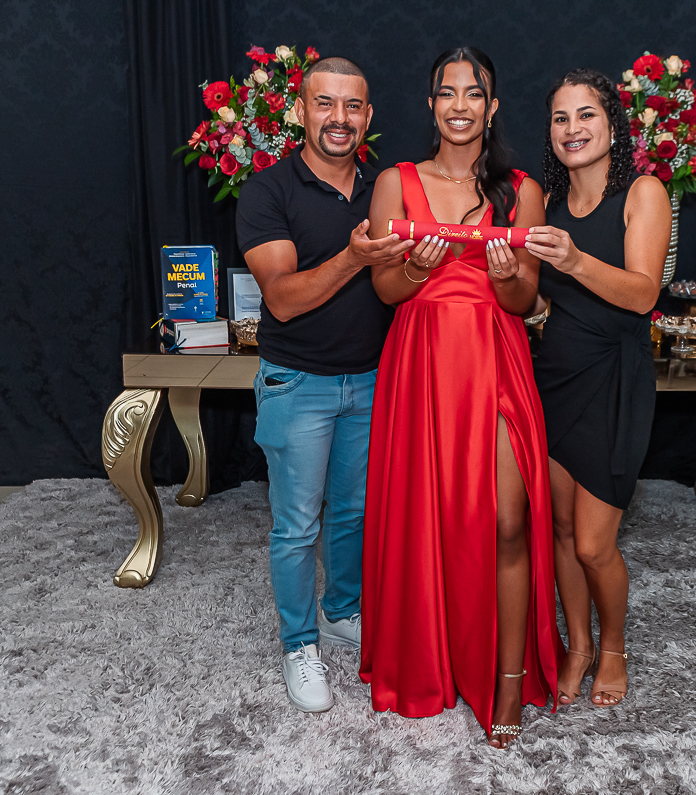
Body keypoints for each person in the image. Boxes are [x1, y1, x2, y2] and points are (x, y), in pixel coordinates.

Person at [358, 46, 562, 749]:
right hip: (421, 361)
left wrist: (506, 277)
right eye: (447, 93)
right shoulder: (395, 182)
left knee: (507, 520)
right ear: (431, 104)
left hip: (494, 355)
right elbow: (386, 290)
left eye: (473, 94)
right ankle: (428, 658)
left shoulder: (521, 191)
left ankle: (507, 677)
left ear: (492, 107)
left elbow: (525, 297)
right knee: (426, 515)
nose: (460, 106)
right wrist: (415, 270)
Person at [235, 57, 414, 713]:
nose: (339, 118)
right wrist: (353, 257)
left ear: (368, 116)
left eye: (353, 106)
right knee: (295, 526)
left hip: (371, 381)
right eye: (325, 103)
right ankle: (298, 643)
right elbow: (282, 299)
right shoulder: (267, 192)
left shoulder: (385, 187)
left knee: (354, 514)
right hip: (297, 383)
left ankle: (340, 612)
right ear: (300, 110)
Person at [525, 68, 671, 708]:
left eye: (586, 114)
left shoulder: (643, 192)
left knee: (592, 543)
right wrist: (516, 290)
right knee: (560, 531)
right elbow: (541, 303)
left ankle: (613, 647)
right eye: (561, 118)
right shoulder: (549, 207)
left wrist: (575, 260)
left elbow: (642, 294)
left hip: (615, 380)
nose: (573, 128)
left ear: (613, 124)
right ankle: (578, 645)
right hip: (555, 378)